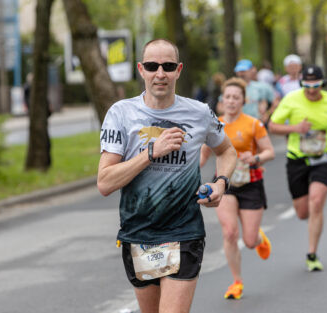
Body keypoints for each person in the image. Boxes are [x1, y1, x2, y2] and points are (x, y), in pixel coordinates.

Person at [97, 39, 237, 313]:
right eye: (152, 66)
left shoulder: (198, 113)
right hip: (139, 232)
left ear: (178, 70)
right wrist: (151, 152)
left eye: (168, 66)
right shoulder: (121, 114)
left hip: (184, 231)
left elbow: (228, 151)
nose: (160, 73)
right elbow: (104, 182)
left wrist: (221, 183)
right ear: (141, 69)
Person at [269, 65, 327, 271]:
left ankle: (312, 253)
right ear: (301, 83)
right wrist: (295, 128)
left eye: (316, 85)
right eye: (307, 85)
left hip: (324, 159)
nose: (311, 90)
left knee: (316, 202)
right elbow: (273, 126)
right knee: (303, 213)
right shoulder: (292, 99)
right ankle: (310, 226)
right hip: (297, 159)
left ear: (323, 84)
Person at [200, 77, 274, 300]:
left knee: (249, 241)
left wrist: (257, 157)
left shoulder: (253, 124)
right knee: (230, 232)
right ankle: (236, 282)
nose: (231, 101)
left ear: (244, 100)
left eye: (236, 97)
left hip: (251, 183)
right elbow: (202, 156)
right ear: (222, 100)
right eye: (228, 97)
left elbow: (270, 151)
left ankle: (259, 238)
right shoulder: (215, 124)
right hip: (224, 184)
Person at [234, 59, 275, 124]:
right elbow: (220, 106)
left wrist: (267, 114)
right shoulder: (231, 87)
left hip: (257, 124)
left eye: (244, 71)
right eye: (239, 71)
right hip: (237, 124)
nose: (241, 74)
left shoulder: (263, 87)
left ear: (252, 70)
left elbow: (275, 103)